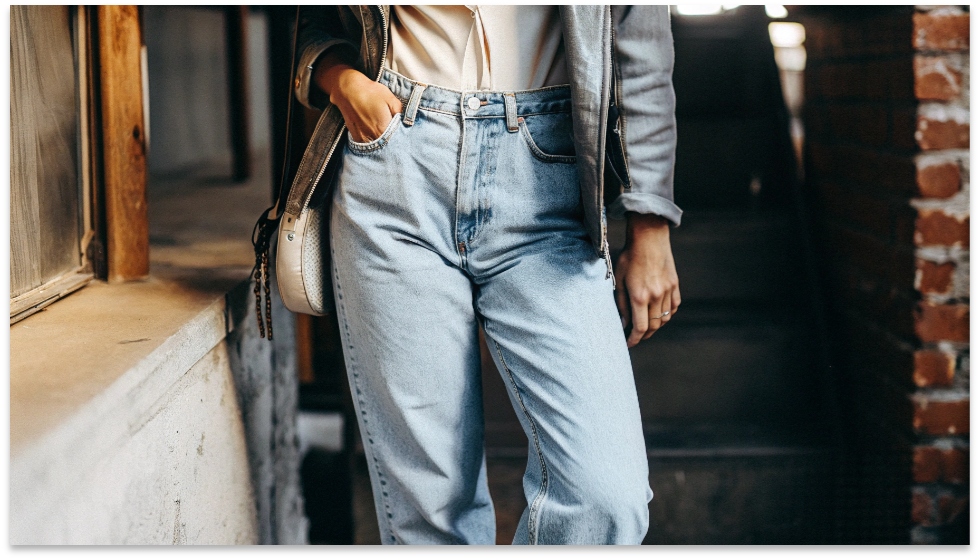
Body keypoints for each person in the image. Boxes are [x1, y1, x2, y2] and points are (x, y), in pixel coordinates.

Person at [293, 5, 681, 545]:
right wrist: (341, 80)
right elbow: (311, 23)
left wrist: (651, 222)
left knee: (604, 494)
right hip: (396, 164)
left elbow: (642, 51)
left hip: (548, 178)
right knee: (431, 513)